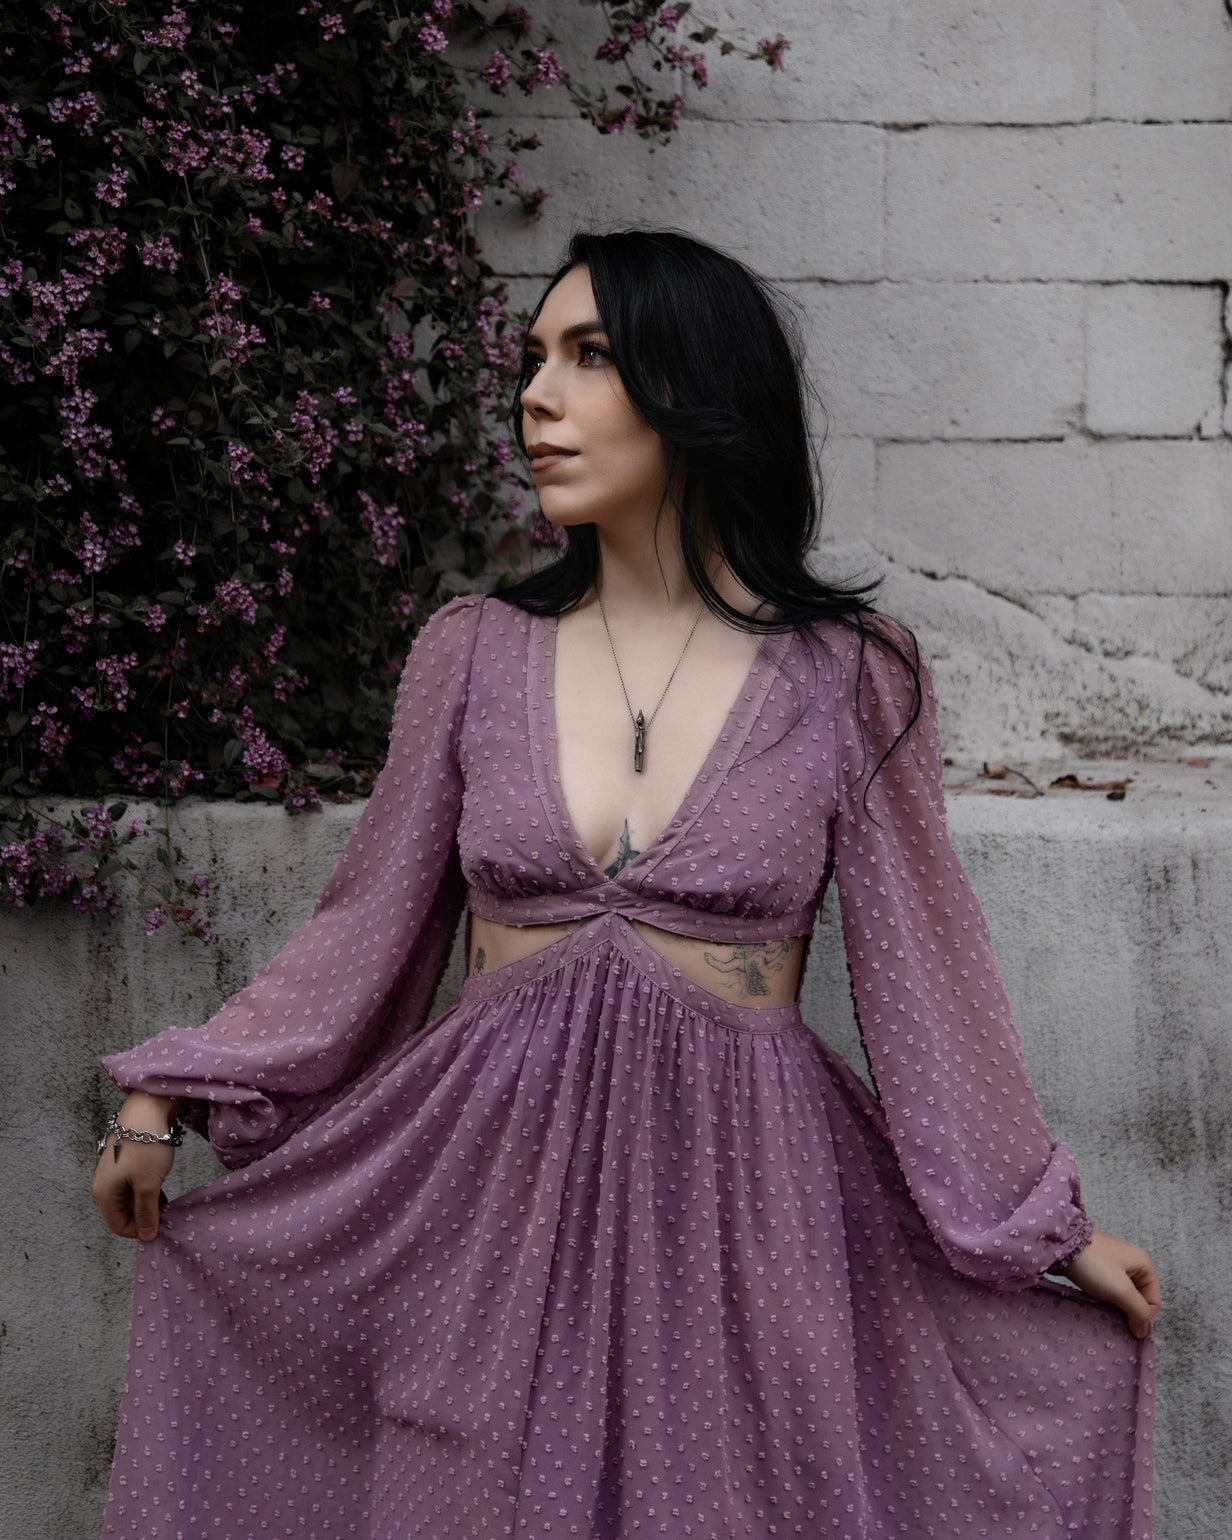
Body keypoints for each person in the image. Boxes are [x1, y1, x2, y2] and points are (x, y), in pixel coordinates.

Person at [93, 229, 1160, 1539]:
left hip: (748, 1225)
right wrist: (169, 1096)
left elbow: (927, 984)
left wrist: (1044, 1232)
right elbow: (363, 930)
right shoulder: (472, 656)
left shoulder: (851, 675)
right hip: (482, 1216)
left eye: (588, 357)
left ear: (700, 389)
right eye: (534, 359)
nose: (536, 396)